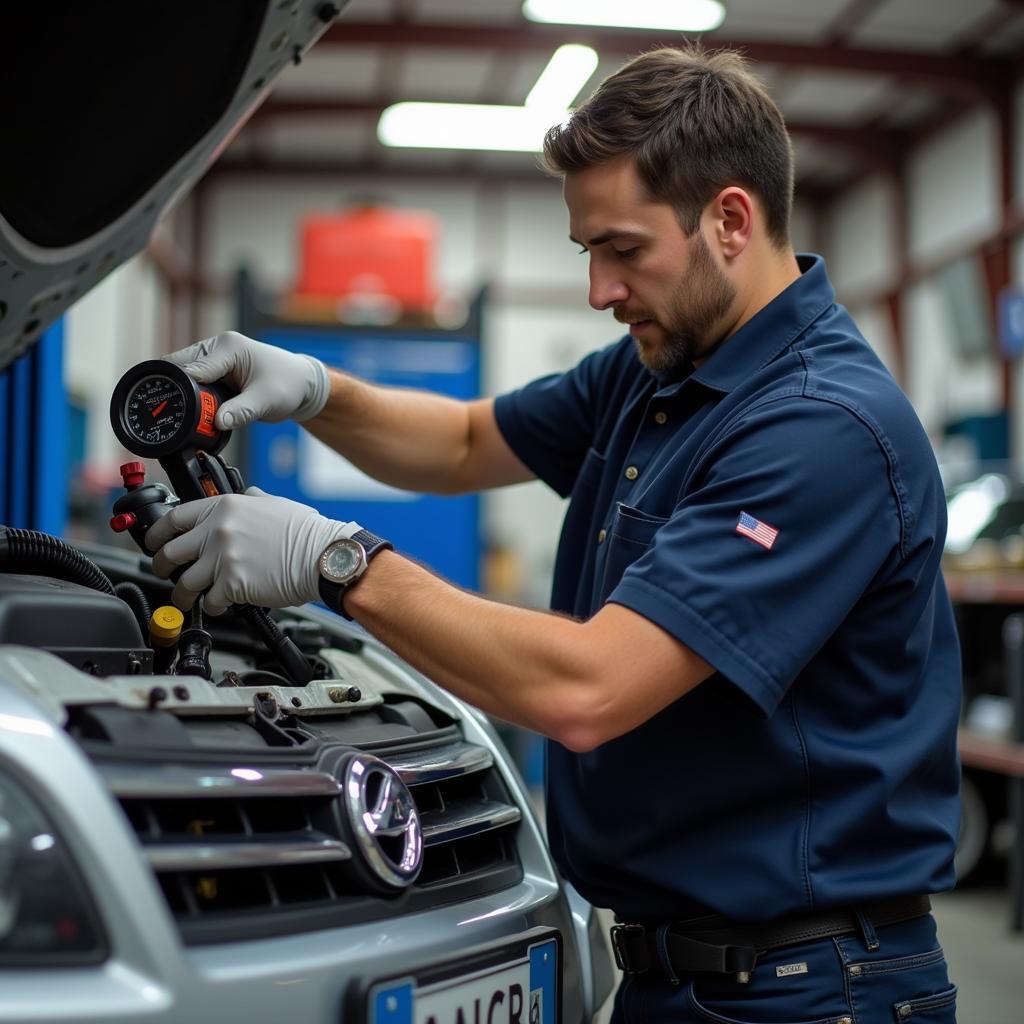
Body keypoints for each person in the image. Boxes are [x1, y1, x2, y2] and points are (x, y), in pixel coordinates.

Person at [146, 44, 961, 1023]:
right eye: (587, 255)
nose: (599, 290)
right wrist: (312, 390)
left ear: (730, 220)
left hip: (810, 989)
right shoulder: (658, 366)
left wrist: (333, 559)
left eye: (623, 249)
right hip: (684, 975)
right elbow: (458, 442)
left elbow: (587, 687)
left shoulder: (821, 426)